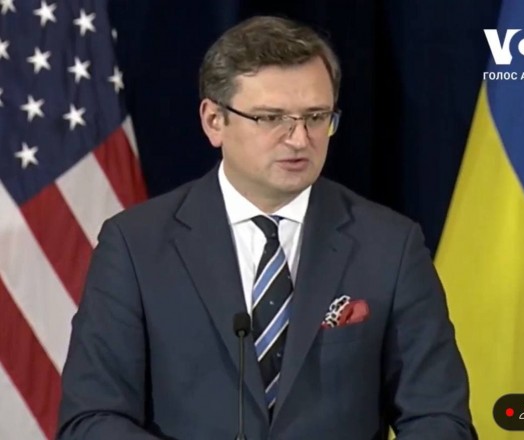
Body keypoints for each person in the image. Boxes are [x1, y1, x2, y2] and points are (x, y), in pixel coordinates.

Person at [57, 15, 477, 440]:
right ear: (214, 121)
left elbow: (440, 418)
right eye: (272, 118)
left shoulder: (390, 245)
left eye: (316, 116)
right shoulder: (135, 245)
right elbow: (91, 418)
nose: (299, 139)